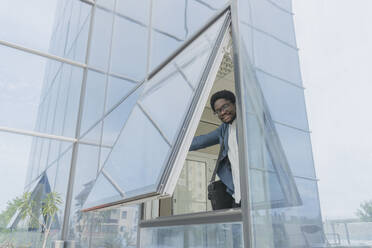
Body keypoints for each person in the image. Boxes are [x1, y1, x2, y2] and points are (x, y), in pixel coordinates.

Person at [190, 90, 241, 209]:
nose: (223, 112)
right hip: (236, 195)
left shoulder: (248, 121)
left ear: (234, 103)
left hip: (257, 195)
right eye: (218, 111)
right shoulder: (224, 129)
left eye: (225, 106)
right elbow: (200, 141)